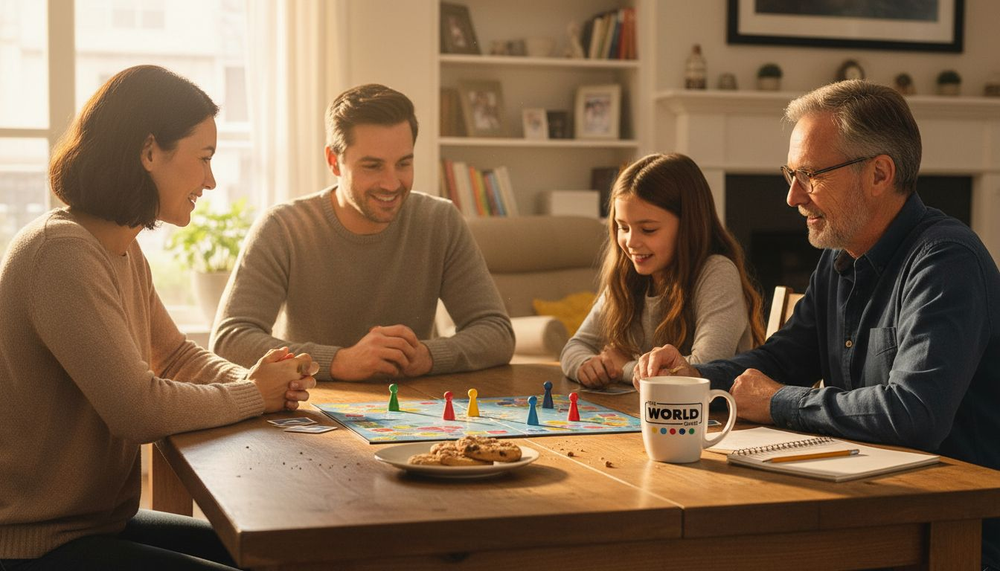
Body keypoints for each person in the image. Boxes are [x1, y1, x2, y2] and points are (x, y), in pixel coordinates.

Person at [635, 80, 1000, 569]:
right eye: (791, 174)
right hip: (867, 502)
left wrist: (777, 402)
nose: (792, 196)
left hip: (952, 529)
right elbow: (780, 359)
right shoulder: (840, 257)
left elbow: (916, 415)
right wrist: (695, 379)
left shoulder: (944, 261)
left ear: (879, 173)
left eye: (810, 174)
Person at [0, 65, 320, 570]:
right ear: (150, 151)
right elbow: (138, 410)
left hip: (96, 524)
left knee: (285, 557)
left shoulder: (120, 249)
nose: (211, 181)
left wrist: (259, 381)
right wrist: (253, 394)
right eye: (204, 159)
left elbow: (172, 354)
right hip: (38, 543)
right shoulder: (61, 254)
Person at [210, 84, 514, 381]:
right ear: (334, 161)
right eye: (373, 166)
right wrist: (338, 362)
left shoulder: (440, 220)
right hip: (310, 410)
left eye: (404, 163)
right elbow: (230, 339)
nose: (392, 183)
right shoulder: (282, 227)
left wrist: (429, 356)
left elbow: (497, 333)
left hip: (415, 409)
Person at [561, 153, 764, 388]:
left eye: (647, 230)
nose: (631, 242)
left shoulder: (717, 273)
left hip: (711, 419)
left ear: (688, 225)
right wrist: (587, 365)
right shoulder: (629, 276)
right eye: (623, 227)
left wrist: (624, 367)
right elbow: (575, 346)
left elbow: (703, 367)